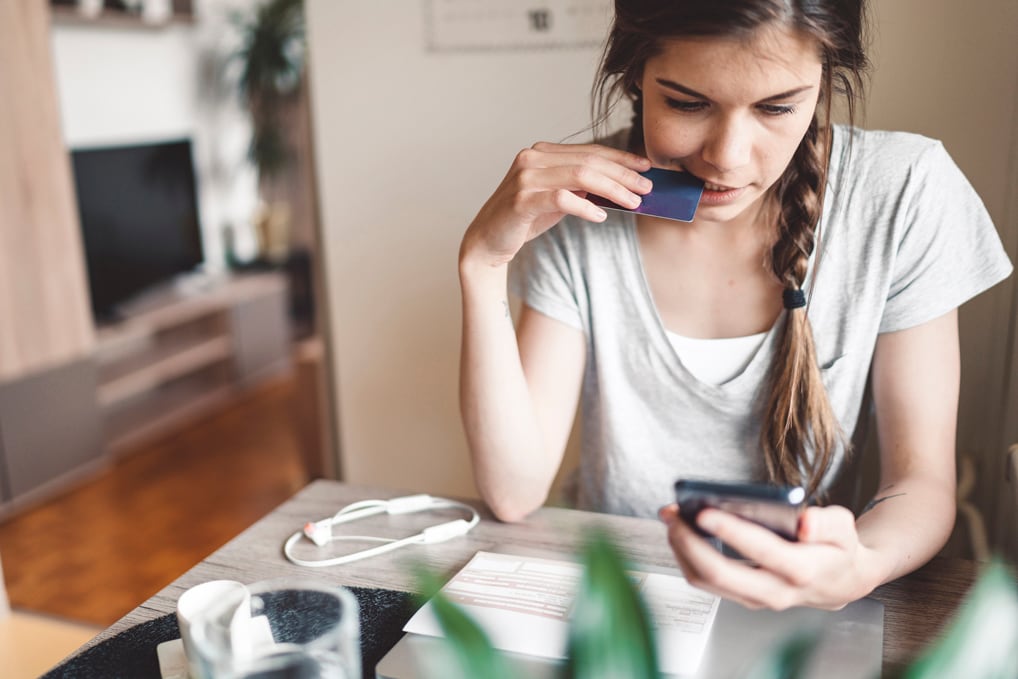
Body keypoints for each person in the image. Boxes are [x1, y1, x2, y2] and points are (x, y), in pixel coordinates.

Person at [457, 0, 1012, 610]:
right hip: (620, 606)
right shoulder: (580, 205)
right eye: (688, 103)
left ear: (826, 79)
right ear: (634, 73)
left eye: (777, 107)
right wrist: (482, 264)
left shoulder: (904, 190)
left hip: (804, 608)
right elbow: (514, 492)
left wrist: (862, 563)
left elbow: (920, 482)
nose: (728, 155)